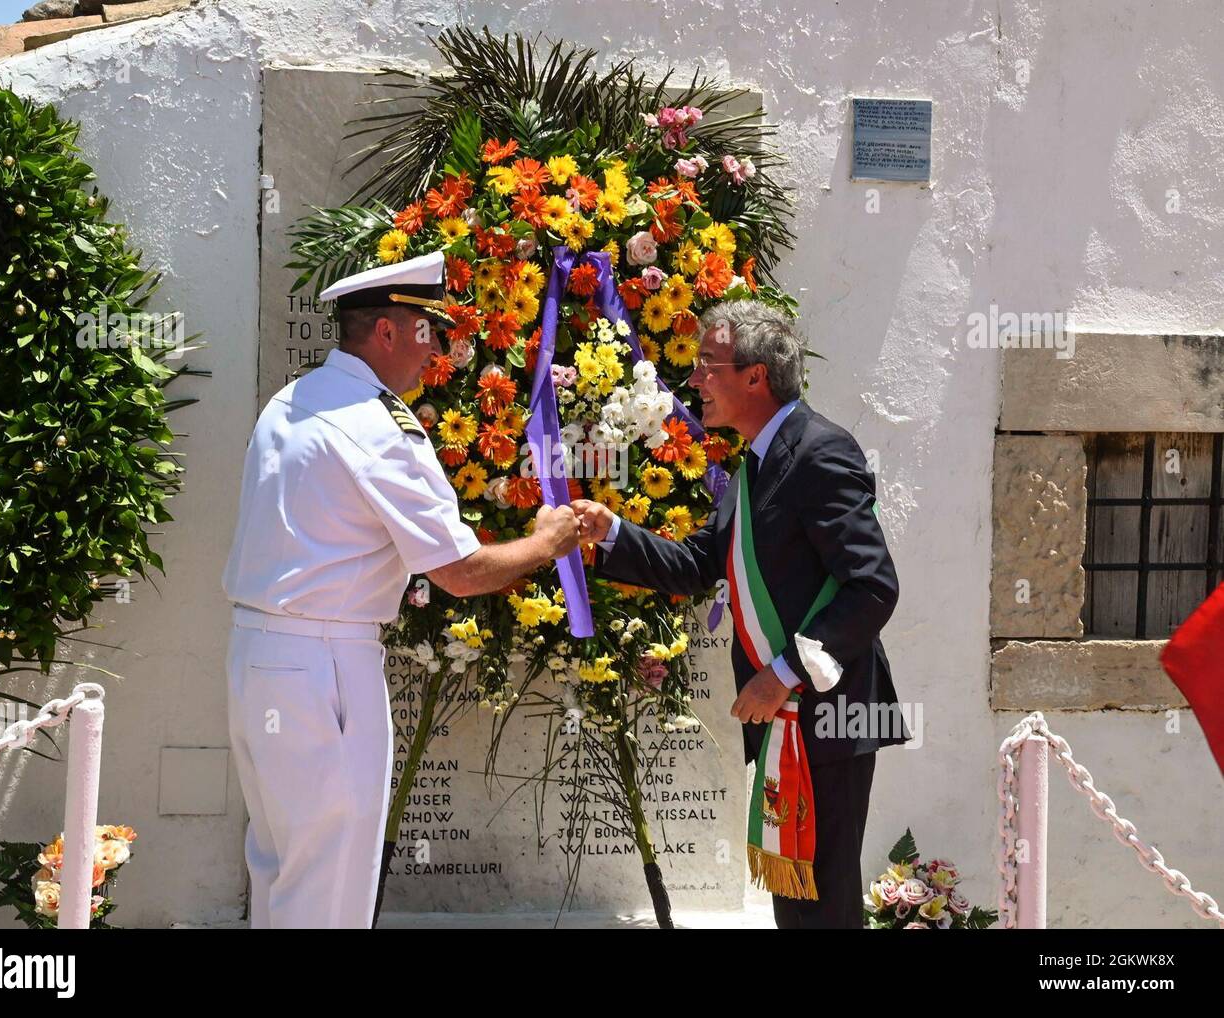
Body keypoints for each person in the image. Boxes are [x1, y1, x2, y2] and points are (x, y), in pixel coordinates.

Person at [221, 252, 580, 928]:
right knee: (328, 887)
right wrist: (548, 542)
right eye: (426, 331)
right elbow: (459, 572)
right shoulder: (376, 426)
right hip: (324, 663)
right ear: (386, 332)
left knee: (282, 869)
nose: (435, 351)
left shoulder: (292, 400)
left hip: (259, 658)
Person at [572, 300, 907, 928]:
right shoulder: (755, 462)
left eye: (708, 365)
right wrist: (609, 531)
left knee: (824, 901)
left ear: (755, 376)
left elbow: (872, 586)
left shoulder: (819, 451)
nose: (694, 379)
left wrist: (782, 673)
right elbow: (698, 565)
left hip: (826, 714)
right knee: (795, 902)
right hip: (788, 720)